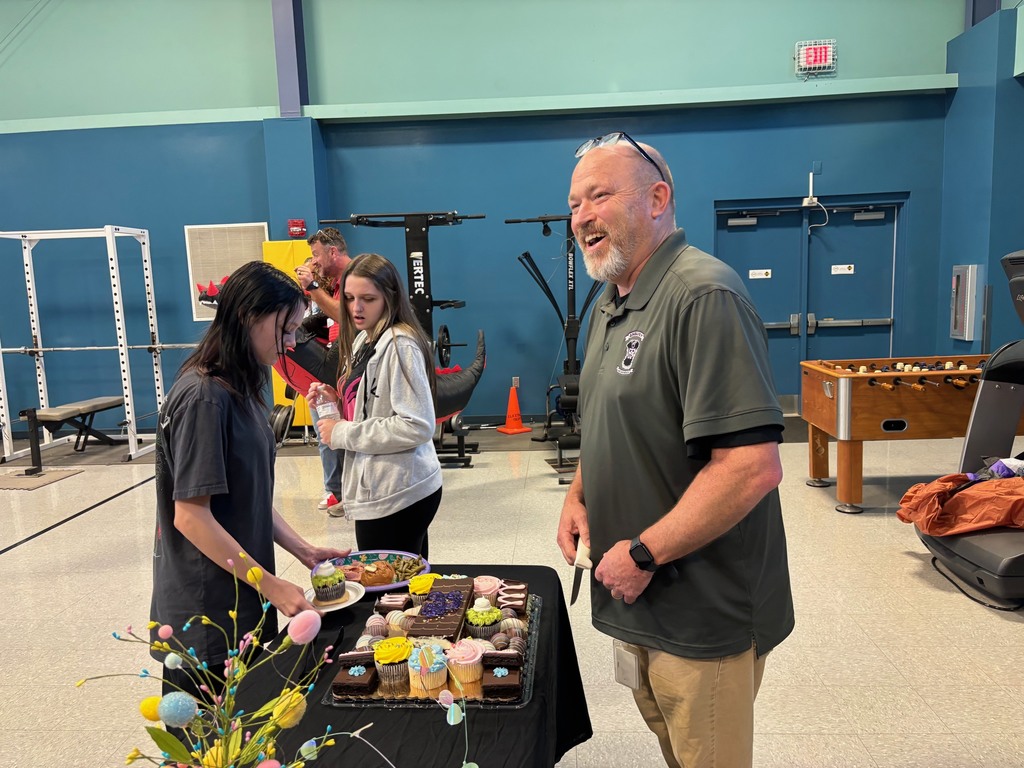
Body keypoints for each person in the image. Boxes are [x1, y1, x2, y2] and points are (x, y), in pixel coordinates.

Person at [556, 132, 795, 768]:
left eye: (599, 196)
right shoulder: (612, 302)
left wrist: (641, 552)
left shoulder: (701, 295)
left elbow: (750, 468)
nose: (581, 217)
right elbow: (615, 419)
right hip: (642, 601)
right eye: (575, 204)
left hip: (701, 615)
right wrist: (579, 494)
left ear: (658, 198)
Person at [150, 261, 349, 713]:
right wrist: (271, 585)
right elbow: (191, 515)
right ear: (247, 316)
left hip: (244, 595)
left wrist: (303, 550)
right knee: (210, 747)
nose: (291, 342)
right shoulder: (203, 396)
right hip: (207, 608)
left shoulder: (241, 385)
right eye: (285, 329)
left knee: (250, 733)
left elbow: (247, 496)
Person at [309, 253, 442, 557]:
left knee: (388, 591)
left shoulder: (399, 345)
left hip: (398, 494)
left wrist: (342, 432)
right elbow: (373, 407)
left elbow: (417, 424)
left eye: (367, 298)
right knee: (410, 589)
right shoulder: (364, 340)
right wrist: (337, 403)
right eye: (349, 297)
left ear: (389, 299)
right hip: (382, 489)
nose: (356, 308)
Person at [295, 228, 352, 514]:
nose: (315, 260)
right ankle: (338, 491)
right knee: (327, 427)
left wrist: (313, 287)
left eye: (317, 254)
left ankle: (345, 492)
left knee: (342, 427)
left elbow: (347, 317)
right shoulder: (337, 282)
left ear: (333, 251)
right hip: (336, 360)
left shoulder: (353, 277)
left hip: (349, 361)